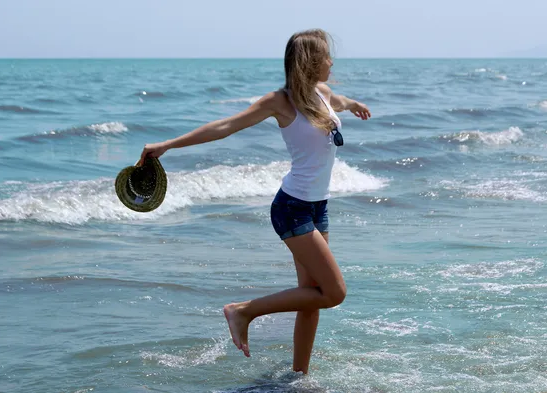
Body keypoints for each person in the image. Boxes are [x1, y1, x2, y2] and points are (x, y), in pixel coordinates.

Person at [137, 28, 371, 374]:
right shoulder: (280, 101)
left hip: (318, 206)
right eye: (326, 56)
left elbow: (340, 103)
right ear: (310, 61)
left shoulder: (322, 94)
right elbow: (224, 126)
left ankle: (298, 376)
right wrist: (169, 145)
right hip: (292, 209)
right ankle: (243, 311)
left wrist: (354, 105)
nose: (331, 61)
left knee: (312, 297)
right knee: (334, 292)